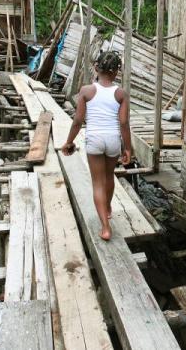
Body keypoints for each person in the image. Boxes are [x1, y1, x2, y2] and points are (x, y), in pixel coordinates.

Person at [61, 51, 132, 241]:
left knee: (97, 183)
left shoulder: (86, 91)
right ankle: (108, 207)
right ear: (117, 72)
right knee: (109, 177)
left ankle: (105, 228)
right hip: (113, 140)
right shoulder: (121, 94)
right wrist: (128, 148)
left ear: (96, 68)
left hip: (94, 140)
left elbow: (78, 120)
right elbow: (124, 123)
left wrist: (69, 141)